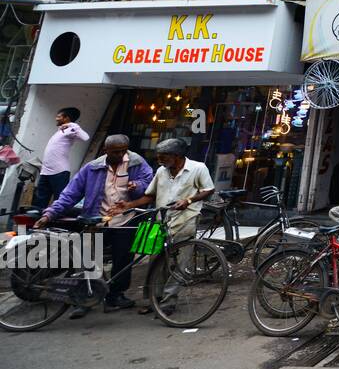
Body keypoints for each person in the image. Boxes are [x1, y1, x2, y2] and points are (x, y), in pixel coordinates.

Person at [34, 134, 154, 318]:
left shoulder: (137, 163)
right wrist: (50, 213)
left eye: (123, 151)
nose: (120, 155)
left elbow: (149, 186)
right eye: (116, 152)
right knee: (89, 260)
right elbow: (70, 194)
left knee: (123, 260)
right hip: (97, 220)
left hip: (126, 220)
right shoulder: (92, 168)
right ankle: (85, 299)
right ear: (105, 151)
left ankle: (116, 295)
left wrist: (136, 185)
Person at [143, 139, 215, 306]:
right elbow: (150, 194)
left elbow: (208, 189)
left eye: (163, 156)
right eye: (159, 157)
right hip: (161, 221)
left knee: (180, 263)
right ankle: (154, 299)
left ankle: (168, 301)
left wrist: (188, 201)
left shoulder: (198, 168)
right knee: (155, 260)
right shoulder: (162, 171)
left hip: (186, 219)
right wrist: (129, 205)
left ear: (177, 156)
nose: (159, 160)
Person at [34, 107, 90, 211]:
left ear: (66, 118)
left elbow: (85, 137)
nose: (56, 118)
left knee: (60, 201)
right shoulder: (61, 131)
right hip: (45, 172)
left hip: (59, 172)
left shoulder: (70, 129)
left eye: (59, 116)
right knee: (40, 202)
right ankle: (35, 224)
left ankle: (55, 224)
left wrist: (72, 125)